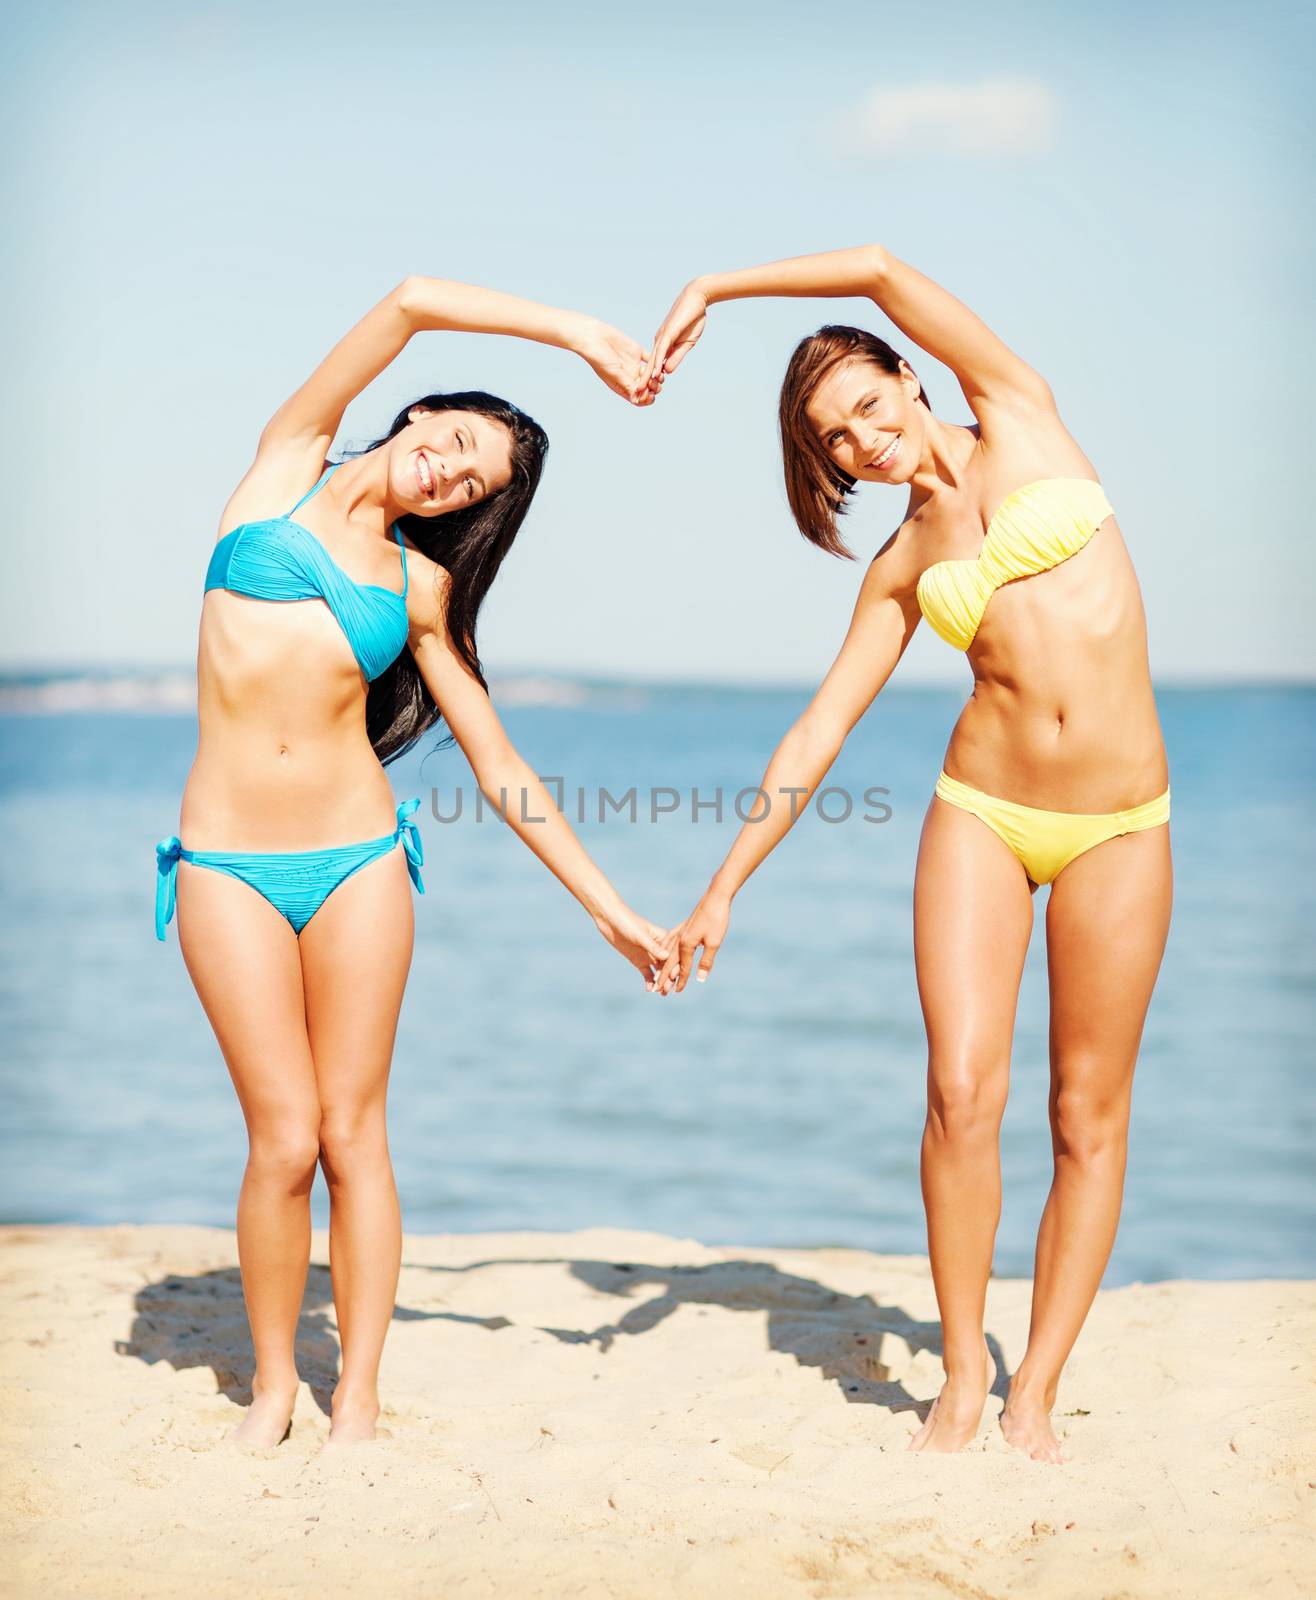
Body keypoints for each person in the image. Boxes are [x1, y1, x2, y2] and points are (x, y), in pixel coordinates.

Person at [642, 245, 1172, 1463]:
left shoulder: (1021, 415)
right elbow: (817, 730)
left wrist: (714, 290)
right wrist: (722, 887)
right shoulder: (897, 563)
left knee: (1085, 1113)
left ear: (908, 377)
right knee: (956, 1091)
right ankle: (958, 1371)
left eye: (866, 407)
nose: (861, 440)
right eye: (832, 439)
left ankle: (1033, 1386)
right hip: (978, 812)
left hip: (1118, 823)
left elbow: (878, 266)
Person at [154, 275, 670, 1450]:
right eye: (449, 440)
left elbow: (498, 764)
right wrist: (578, 333)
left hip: (358, 862)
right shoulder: (284, 462)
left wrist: (612, 911)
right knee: (280, 1136)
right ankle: (274, 1381)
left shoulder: (420, 585)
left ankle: (360, 1395)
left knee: (353, 1132)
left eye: (473, 477)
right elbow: (408, 299)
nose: (447, 470)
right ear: (413, 417)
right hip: (225, 861)